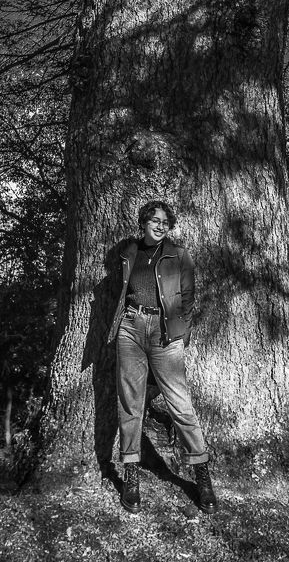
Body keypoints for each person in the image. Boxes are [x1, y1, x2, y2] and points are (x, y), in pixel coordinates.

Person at [108, 200, 217, 515]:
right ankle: (131, 473)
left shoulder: (179, 255)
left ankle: (202, 474)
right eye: (154, 220)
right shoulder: (129, 251)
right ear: (144, 222)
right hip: (130, 327)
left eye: (165, 222)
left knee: (180, 404)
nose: (159, 226)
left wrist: (180, 334)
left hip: (165, 333)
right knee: (130, 403)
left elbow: (188, 298)